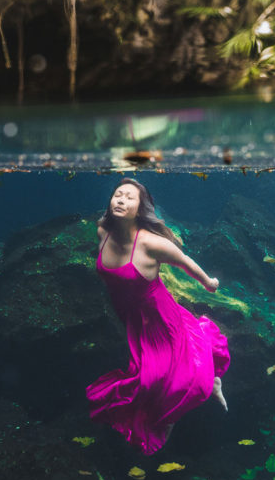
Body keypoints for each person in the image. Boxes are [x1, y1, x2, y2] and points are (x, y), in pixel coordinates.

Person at [86, 178, 230, 455]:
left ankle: (185, 405)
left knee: (156, 377)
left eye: (129, 198)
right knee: (153, 373)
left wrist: (208, 282)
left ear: (140, 209)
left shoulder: (151, 243)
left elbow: (185, 261)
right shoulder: (102, 231)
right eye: (118, 195)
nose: (121, 200)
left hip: (160, 316)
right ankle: (197, 391)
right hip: (129, 315)